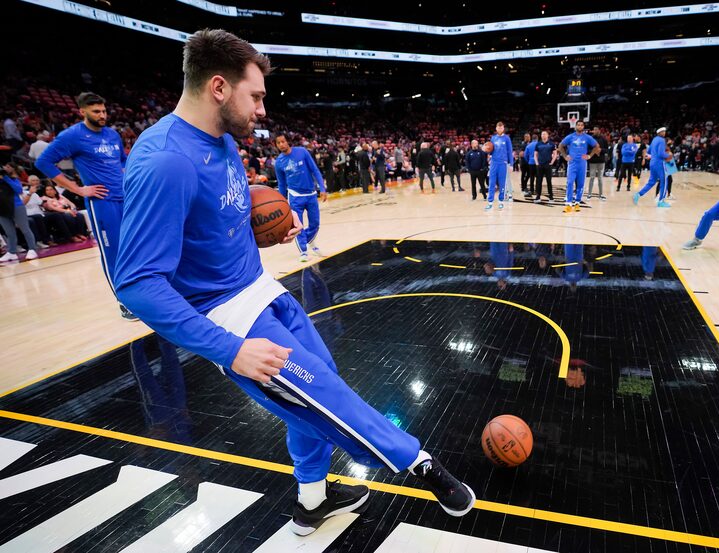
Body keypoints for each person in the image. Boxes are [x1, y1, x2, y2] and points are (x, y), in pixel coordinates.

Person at [114, 30, 475, 537]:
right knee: (324, 396)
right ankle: (419, 464)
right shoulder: (165, 161)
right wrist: (229, 350)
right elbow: (135, 284)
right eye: (256, 95)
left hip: (263, 290)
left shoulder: (218, 140)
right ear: (219, 87)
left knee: (311, 398)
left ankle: (313, 500)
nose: (263, 109)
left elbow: (211, 231)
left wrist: (264, 233)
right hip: (231, 321)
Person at [35, 92, 135, 320]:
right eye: (96, 112)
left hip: (125, 198)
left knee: (132, 247)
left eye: (104, 111)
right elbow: (43, 162)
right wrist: (78, 190)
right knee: (113, 252)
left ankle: (141, 295)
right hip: (102, 203)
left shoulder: (112, 134)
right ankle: (123, 302)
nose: (102, 115)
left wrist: (127, 174)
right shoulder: (72, 136)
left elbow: (122, 161)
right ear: (82, 111)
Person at [275, 133, 327, 263]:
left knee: (315, 223)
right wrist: (282, 202)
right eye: (278, 143)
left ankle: (310, 241)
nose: (281, 144)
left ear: (288, 142)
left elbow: (315, 170)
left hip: (311, 194)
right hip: (294, 196)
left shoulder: (302, 152)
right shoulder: (279, 163)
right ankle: (303, 251)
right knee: (298, 226)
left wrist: (323, 188)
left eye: (283, 141)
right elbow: (282, 184)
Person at [557, 120, 600, 213]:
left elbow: (596, 146)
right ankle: (568, 204)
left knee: (580, 184)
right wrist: (565, 156)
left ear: (583, 127)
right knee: (570, 183)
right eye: (578, 125)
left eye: (581, 125)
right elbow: (560, 145)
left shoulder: (587, 137)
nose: (580, 126)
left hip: (582, 164)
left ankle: (577, 203)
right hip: (572, 163)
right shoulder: (570, 136)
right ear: (575, 126)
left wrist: (590, 155)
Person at [0, 163, 39, 262]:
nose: (5, 168)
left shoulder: (13, 180)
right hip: (2, 209)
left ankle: (32, 249)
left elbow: (18, 190)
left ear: (13, 169)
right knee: (9, 232)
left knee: (25, 229)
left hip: (16, 206)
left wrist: (5, 178)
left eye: (8, 167)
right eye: (5, 166)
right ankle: (11, 252)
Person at [632, 127, 672, 208]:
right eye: (663, 131)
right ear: (660, 133)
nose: (664, 133)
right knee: (664, 181)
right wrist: (669, 155)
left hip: (652, 163)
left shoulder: (654, 139)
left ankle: (638, 194)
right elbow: (661, 154)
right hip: (660, 163)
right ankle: (661, 201)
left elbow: (649, 151)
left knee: (651, 182)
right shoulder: (661, 140)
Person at [485, 121, 513, 211]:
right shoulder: (493, 138)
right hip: (494, 163)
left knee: (502, 183)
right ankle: (490, 203)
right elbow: (491, 151)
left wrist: (511, 164)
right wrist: (487, 150)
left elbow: (510, 151)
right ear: (496, 128)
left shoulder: (507, 138)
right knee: (491, 183)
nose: (500, 129)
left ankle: (501, 201)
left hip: (503, 163)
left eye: (501, 127)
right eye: (498, 127)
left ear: (503, 128)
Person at [586, 127, 608, 201]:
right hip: (592, 161)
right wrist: (594, 151)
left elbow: (607, 150)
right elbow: (587, 150)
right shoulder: (590, 139)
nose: (595, 131)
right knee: (592, 177)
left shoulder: (604, 139)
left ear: (599, 130)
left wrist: (601, 150)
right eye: (594, 130)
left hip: (601, 161)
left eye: (596, 130)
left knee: (600, 178)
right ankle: (589, 194)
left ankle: (601, 194)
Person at [534, 130, 555, 202]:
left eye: (545, 134)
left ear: (547, 135)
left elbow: (555, 153)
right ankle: (538, 197)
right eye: (542, 134)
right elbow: (535, 154)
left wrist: (552, 162)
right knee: (539, 181)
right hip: (540, 165)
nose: (543, 135)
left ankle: (551, 197)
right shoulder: (538, 144)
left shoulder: (551, 144)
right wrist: (536, 163)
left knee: (549, 181)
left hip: (548, 165)